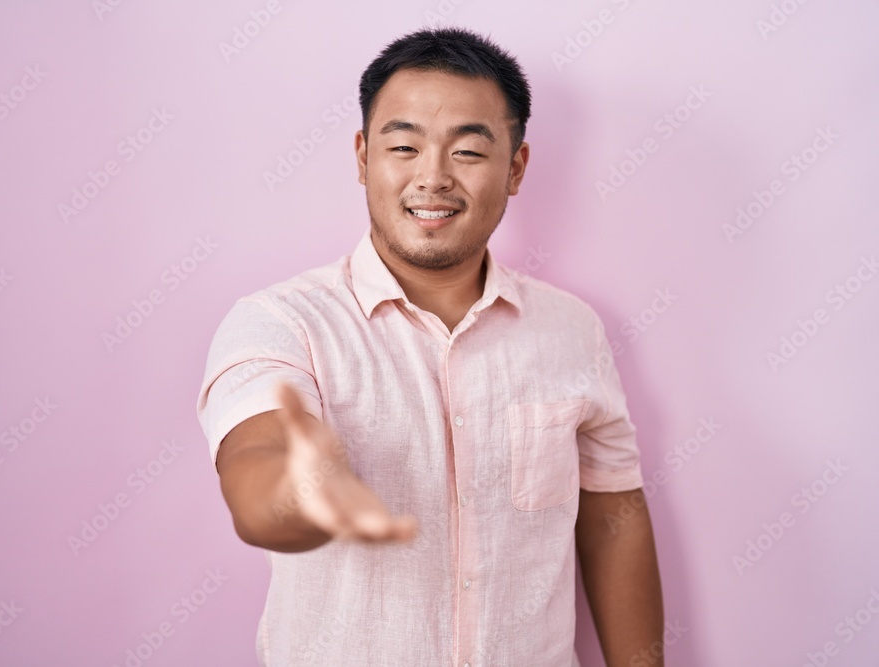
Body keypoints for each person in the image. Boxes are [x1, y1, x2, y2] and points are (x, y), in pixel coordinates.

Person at [197, 26, 664, 667]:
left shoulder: (572, 329)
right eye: (404, 146)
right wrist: (299, 491)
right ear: (362, 157)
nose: (433, 177)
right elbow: (257, 462)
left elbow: (614, 517)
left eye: (468, 152)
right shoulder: (281, 322)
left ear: (516, 167)